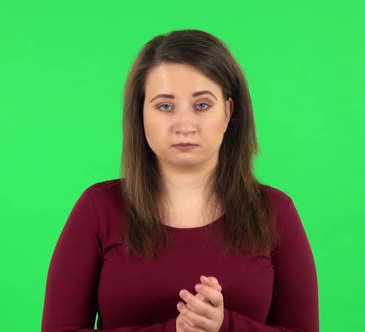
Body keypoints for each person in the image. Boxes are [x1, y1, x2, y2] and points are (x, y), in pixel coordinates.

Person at [41, 29, 318, 332]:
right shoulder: (98, 208)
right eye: (165, 106)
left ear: (228, 112)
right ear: (141, 113)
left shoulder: (276, 211)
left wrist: (224, 326)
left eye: (202, 105)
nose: (184, 125)